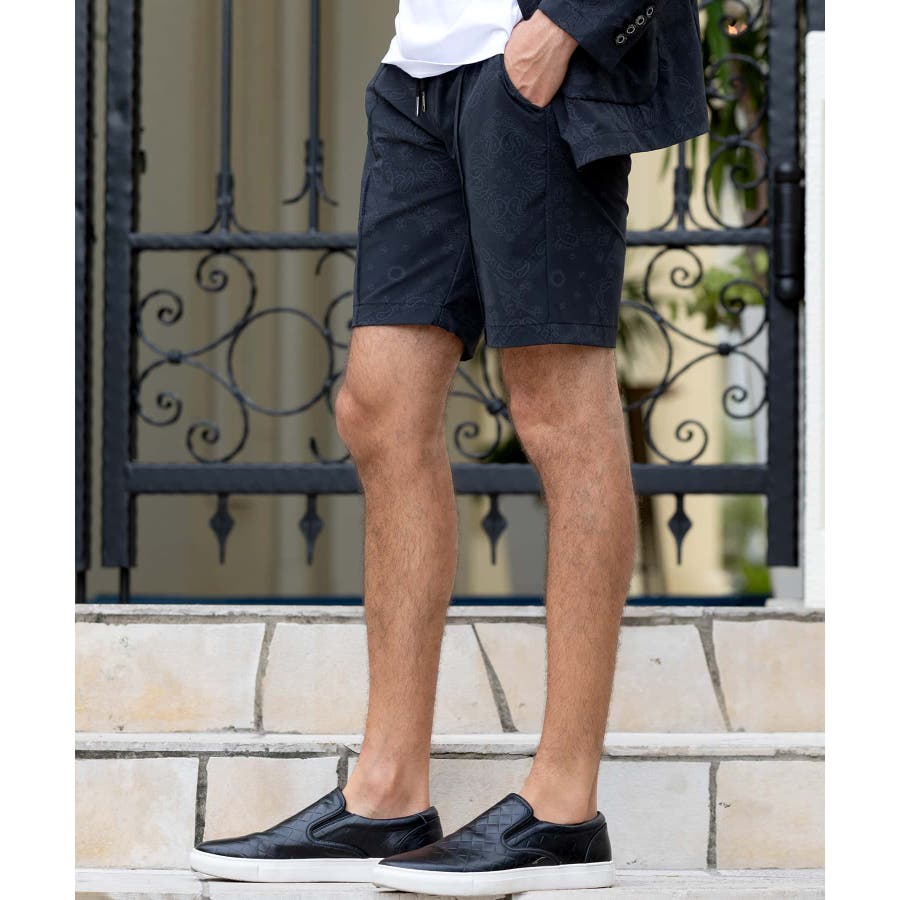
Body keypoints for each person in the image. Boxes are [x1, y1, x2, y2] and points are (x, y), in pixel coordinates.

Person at [190, 0, 708, 893]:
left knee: (555, 407)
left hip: (531, 66)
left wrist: (566, 27)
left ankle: (563, 811)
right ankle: (385, 795)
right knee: (377, 406)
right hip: (418, 76)